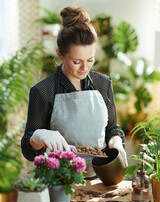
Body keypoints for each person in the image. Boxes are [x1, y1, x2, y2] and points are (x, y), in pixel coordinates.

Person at [21, 6, 128, 180]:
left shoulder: (103, 84)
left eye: (90, 60)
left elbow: (112, 128)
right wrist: (38, 136)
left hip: (99, 179)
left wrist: (115, 140)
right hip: (60, 182)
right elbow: (28, 150)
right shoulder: (43, 91)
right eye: (77, 61)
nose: (84, 68)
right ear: (60, 54)